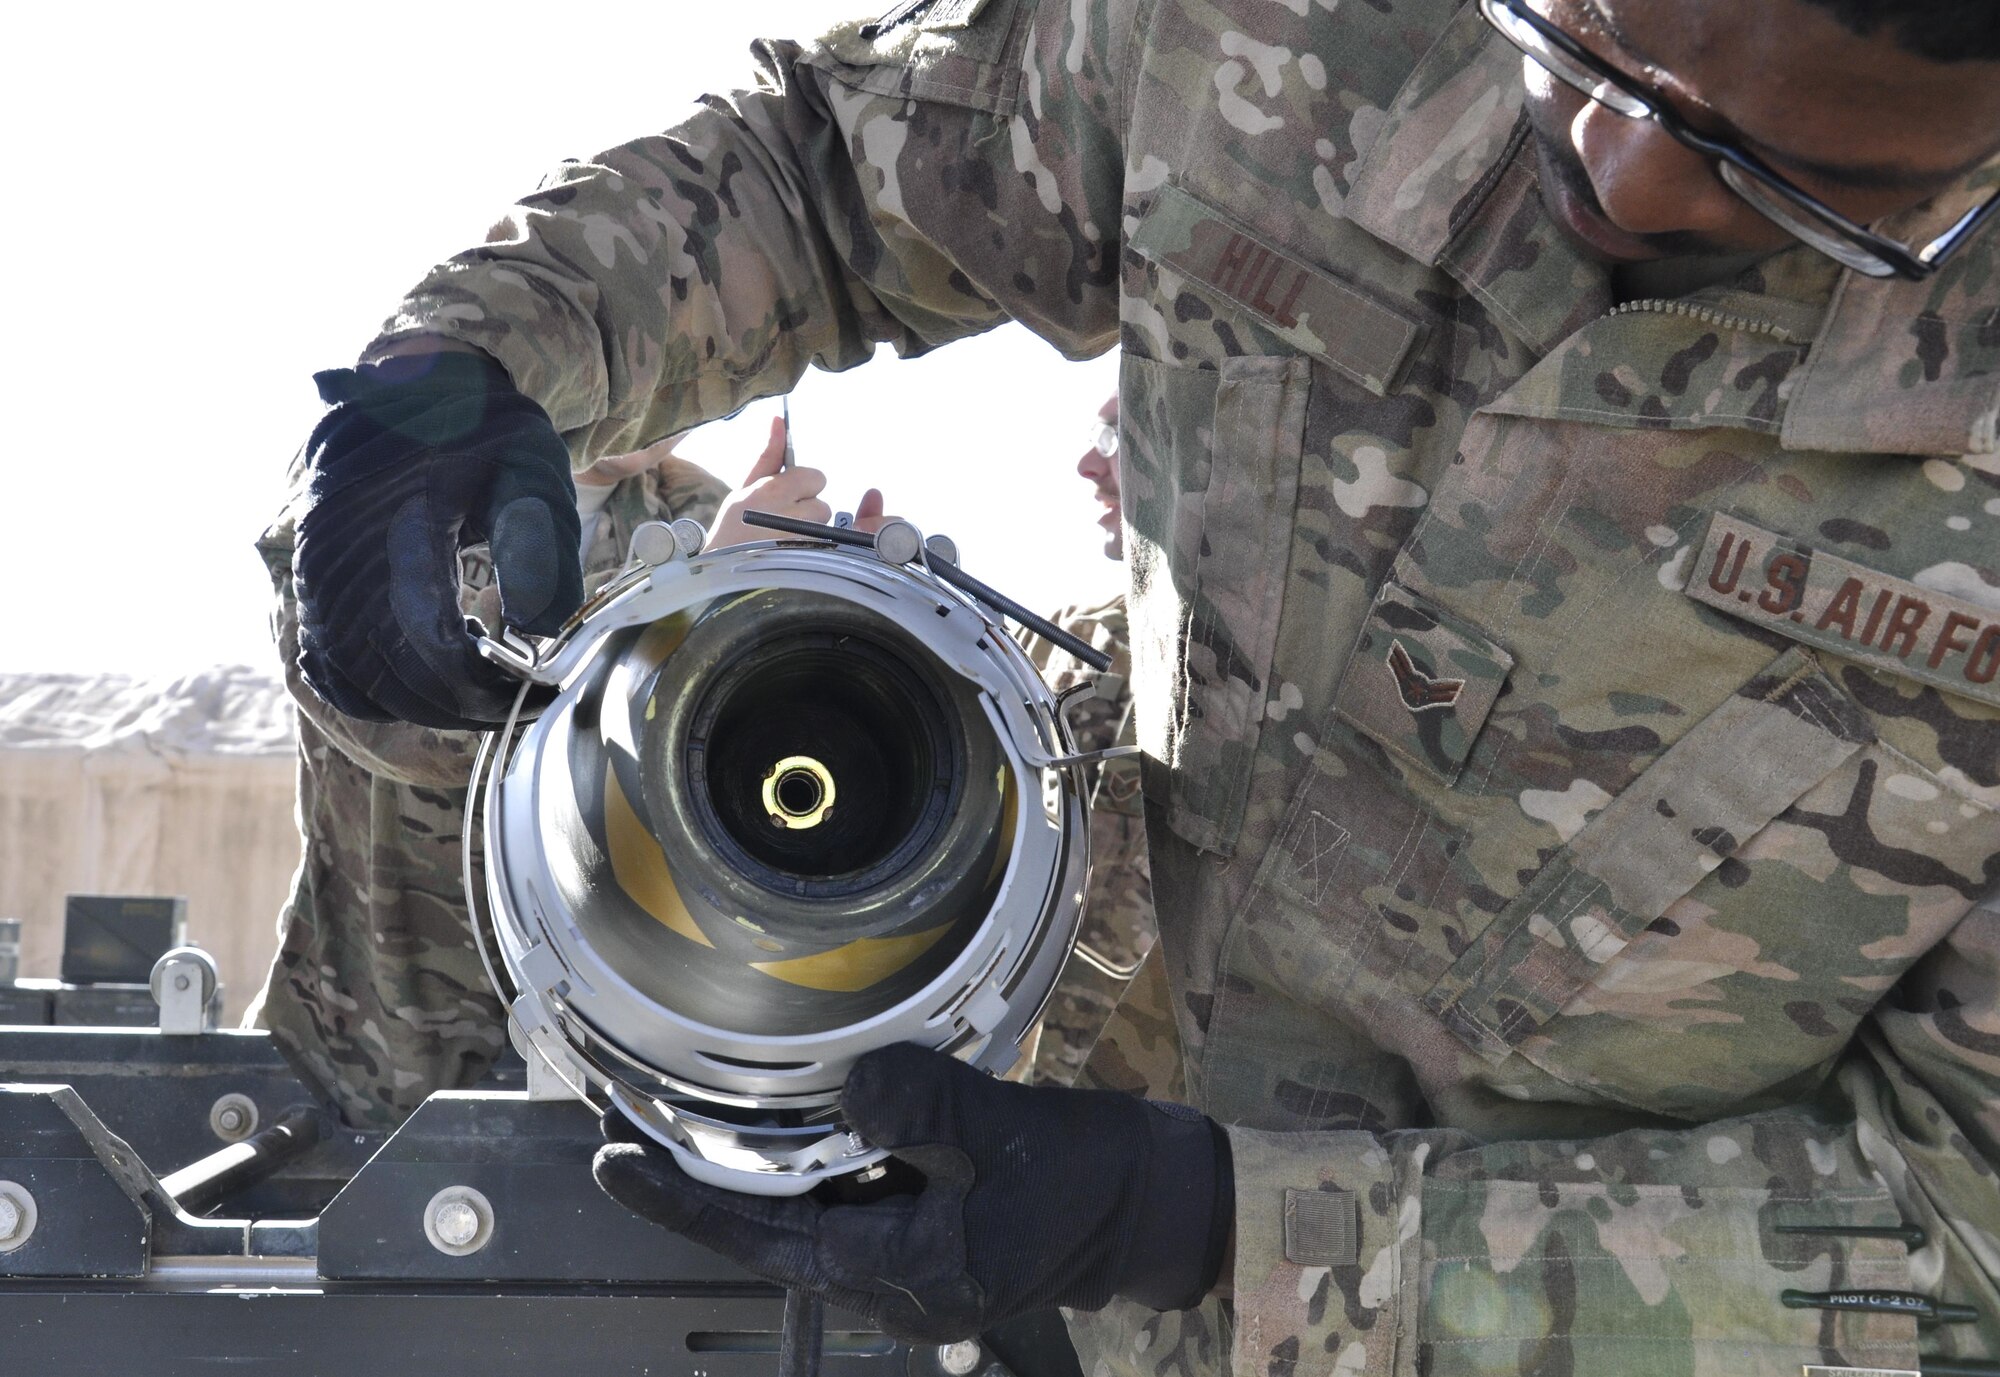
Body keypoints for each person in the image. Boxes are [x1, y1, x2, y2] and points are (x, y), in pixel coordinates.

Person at [283, 1, 2000, 1373]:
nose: (1622, 171)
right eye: (1587, 38)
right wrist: (469, 367)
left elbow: (1960, 1245)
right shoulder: (1299, 27)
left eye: (1782, 175)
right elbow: (834, 175)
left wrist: (1218, 1228)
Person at [251, 417, 881, 1126]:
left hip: (621, 1088)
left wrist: (838, 634)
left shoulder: (702, 513)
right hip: (371, 1068)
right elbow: (409, 723)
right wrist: (683, 597)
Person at [1014, 395, 1159, 1086]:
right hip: (995, 1107)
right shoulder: (1052, 645)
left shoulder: (1307, 685)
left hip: (1170, 1152)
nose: (1087, 464)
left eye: (1119, 433)